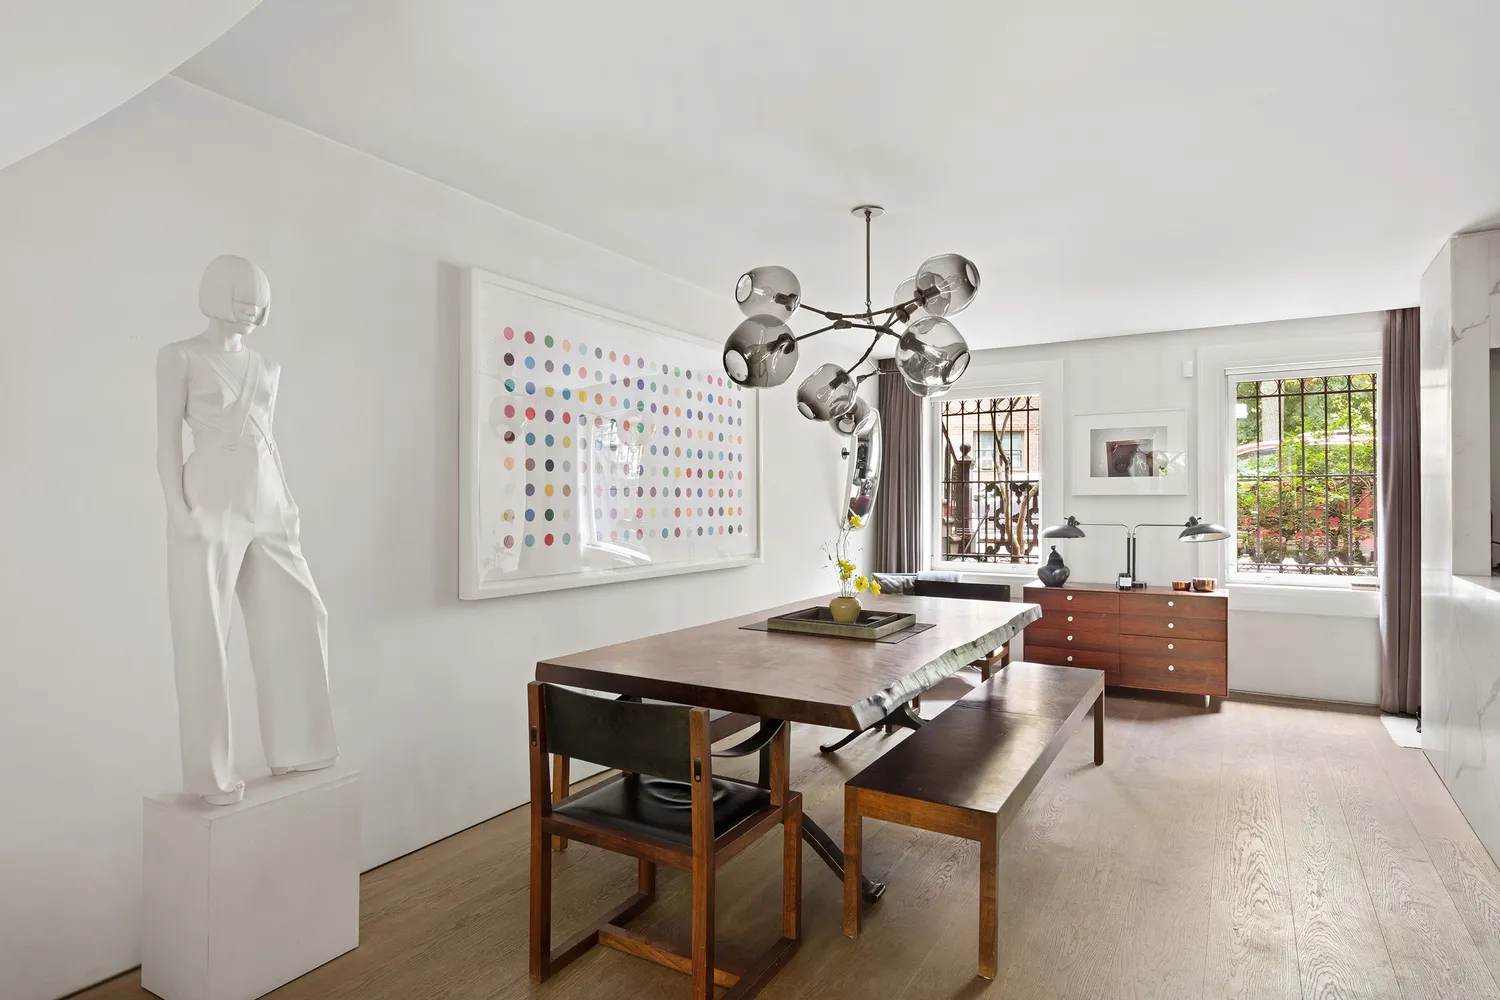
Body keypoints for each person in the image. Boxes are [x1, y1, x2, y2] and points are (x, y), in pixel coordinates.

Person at [155, 255, 337, 805]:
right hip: (209, 496)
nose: (251, 315)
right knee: (203, 634)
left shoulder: (268, 367)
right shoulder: (180, 357)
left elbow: (267, 439)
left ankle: (301, 746)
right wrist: (179, 509)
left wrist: (286, 501)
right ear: (218, 296)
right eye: (242, 302)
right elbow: (166, 442)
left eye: (258, 306)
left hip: (269, 498)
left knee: (302, 611)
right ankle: (210, 776)